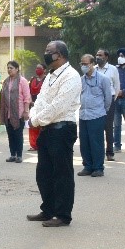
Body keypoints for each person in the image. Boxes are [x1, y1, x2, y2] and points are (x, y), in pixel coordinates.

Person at [27, 41, 81, 227]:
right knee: (44, 173)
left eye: (49, 51)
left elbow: (59, 106)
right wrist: (34, 116)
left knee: (62, 174)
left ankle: (63, 215)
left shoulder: (71, 76)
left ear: (60, 54)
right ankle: (48, 210)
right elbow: (40, 101)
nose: (46, 54)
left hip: (62, 128)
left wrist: (35, 121)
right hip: (47, 130)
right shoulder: (51, 76)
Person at [77, 52, 115, 178]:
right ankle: (87, 166)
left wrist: (103, 111)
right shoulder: (81, 80)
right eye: (81, 64)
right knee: (84, 142)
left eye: (85, 64)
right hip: (84, 115)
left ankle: (98, 167)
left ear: (92, 64)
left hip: (97, 115)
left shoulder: (102, 79)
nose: (83, 66)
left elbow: (108, 98)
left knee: (96, 142)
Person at [0, 61, 32, 163]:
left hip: (19, 112)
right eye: (8, 68)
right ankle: (12, 154)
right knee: (10, 135)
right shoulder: (6, 81)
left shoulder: (22, 81)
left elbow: (27, 98)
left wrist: (26, 111)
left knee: (18, 134)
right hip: (8, 112)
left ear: (17, 69)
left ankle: (19, 155)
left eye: (11, 68)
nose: (9, 70)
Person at [95, 49, 120, 161]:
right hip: (97, 101)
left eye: (100, 55)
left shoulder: (113, 69)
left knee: (108, 127)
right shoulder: (94, 69)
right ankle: (98, 152)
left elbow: (117, 85)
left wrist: (112, 100)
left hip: (109, 101)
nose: (98, 57)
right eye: (97, 55)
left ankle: (110, 152)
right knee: (97, 127)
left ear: (106, 57)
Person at [27, 65, 46, 151]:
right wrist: (30, 101)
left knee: (41, 125)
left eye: (39, 68)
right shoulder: (32, 80)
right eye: (36, 68)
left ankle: (41, 144)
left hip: (43, 105)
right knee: (32, 125)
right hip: (33, 105)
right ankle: (33, 144)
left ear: (44, 70)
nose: (37, 70)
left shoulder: (47, 80)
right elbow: (29, 92)